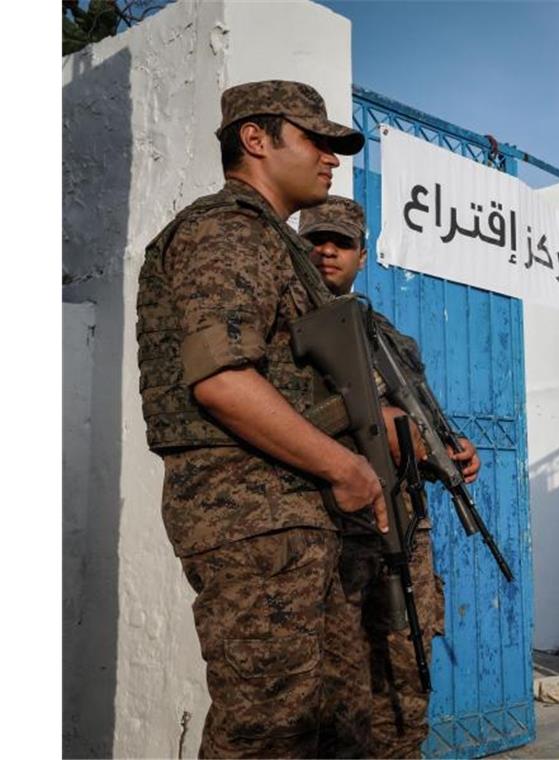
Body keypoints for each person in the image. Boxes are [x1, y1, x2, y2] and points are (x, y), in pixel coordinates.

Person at [136, 80, 379, 757]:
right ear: (256, 139)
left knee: (335, 722)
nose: (331, 158)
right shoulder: (226, 229)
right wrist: (345, 466)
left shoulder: (277, 246)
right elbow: (221, 380)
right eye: (315, 140)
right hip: (248, 514)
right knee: (269, 729)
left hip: (293, 515)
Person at [298, 196, 481, 757]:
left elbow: (420, 414)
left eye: (342, 243)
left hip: (404, 528)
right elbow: (284, 412)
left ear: (362, 256)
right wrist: (371, 419)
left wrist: (447, 450)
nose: (327, 250)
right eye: (316, 240)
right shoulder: (291, 320)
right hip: (331, 530)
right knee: (339, 688)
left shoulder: (389, 335)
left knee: (407, 672)